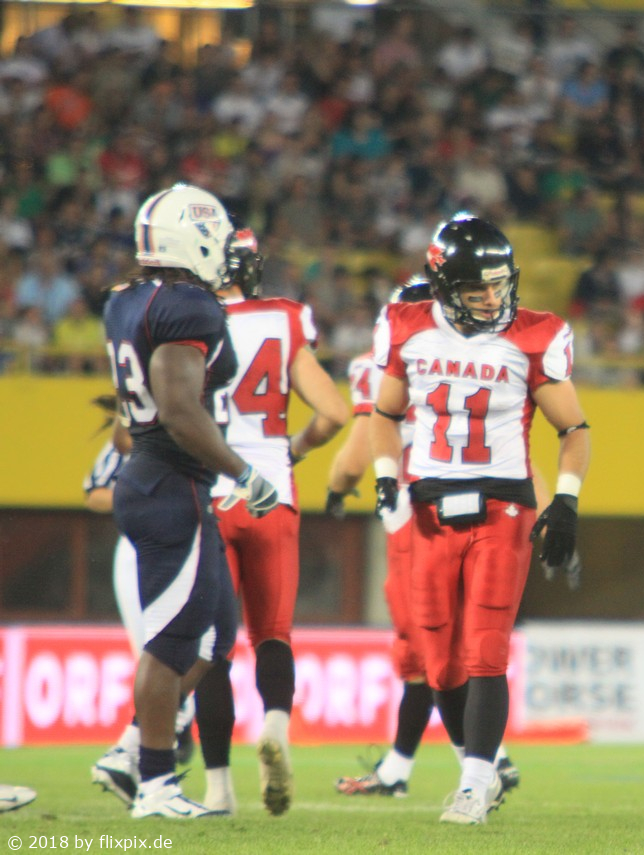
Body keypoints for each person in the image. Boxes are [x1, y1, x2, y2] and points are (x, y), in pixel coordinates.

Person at [370, 214, 589, 825]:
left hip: (503, 504)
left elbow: (573, 428)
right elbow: (384, 414)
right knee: (440, 662)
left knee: (486, 648)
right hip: (428, 505)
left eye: (498, 284)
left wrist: (566, 499)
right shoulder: (408, 326)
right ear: (444, 287)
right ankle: (481, 771)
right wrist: (385, 473)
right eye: (476, 288)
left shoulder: (535, 335)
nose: (493, 298)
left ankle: (472, 785)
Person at [102, 182, 279, 819]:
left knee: (215, 635)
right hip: (170, 481)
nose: (227, 252)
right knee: (173, 639)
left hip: (160, 479)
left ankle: (133, 751)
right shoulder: (189, 306)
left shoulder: (127, 299)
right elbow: (178, 408)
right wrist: (243, 473)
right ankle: (154, 783)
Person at [329, 276, 519, 804]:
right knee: (452, 647)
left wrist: (337, 487)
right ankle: (407, 766)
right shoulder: (486, 354)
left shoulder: (383, 362)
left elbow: (360, 448)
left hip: (417, 518)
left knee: (431, 650)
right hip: (480, 513)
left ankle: (483, 766)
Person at [194, 228, 349, 816]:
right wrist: (294, 450)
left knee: (212, 647)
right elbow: (334, 413)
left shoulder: (183, 321)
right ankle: (276, 728)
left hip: (211, 493)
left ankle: (217, 790)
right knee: (273, 634)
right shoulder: (284, 318)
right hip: (271, 493)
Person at [87, 393, 196, 806]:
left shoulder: (194, 430)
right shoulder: (140, 441)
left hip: (187, 543)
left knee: (194, 652)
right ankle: (141, 759)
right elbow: (95, 491)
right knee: (165, 657)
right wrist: (139, 498)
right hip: (143, 546)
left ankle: (143, 755)